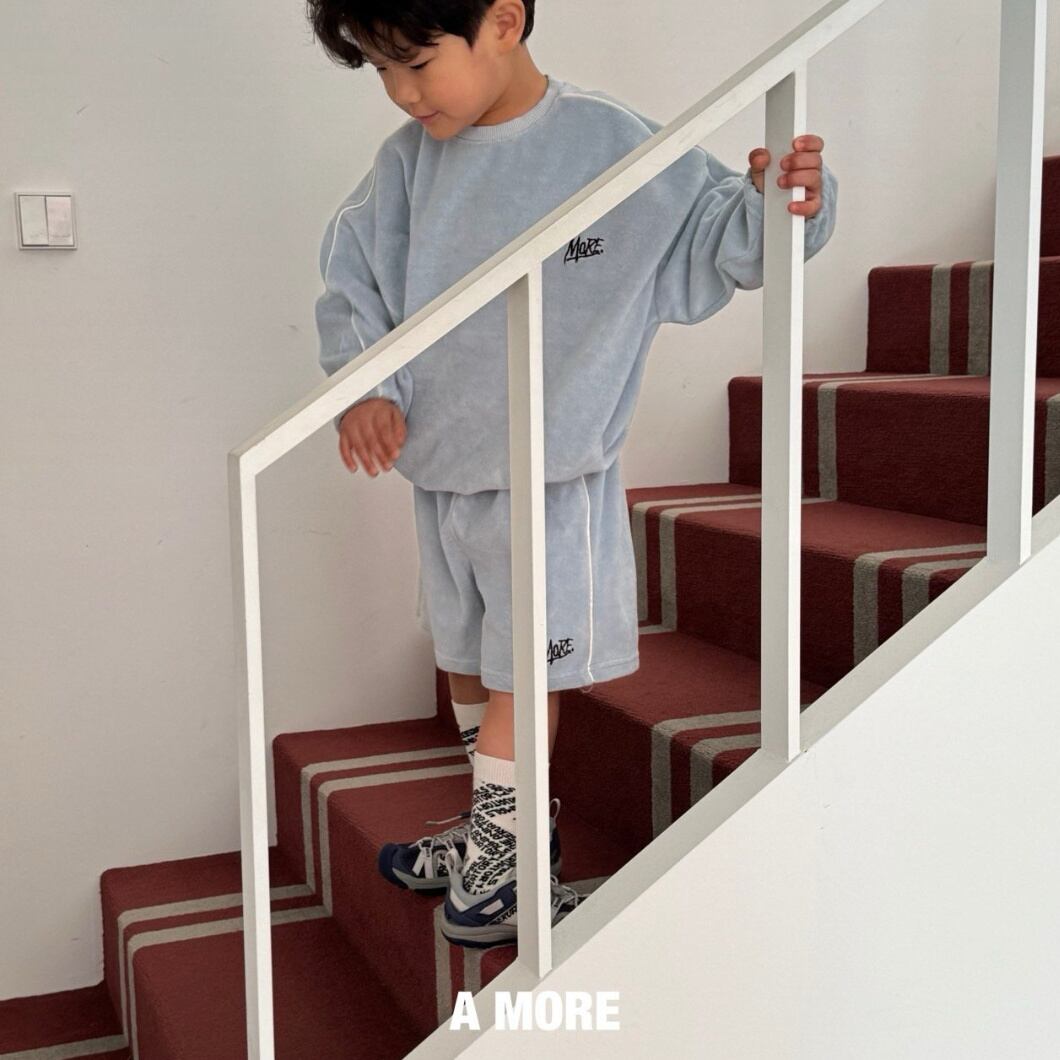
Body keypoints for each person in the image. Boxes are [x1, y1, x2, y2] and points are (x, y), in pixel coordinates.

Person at [308, 0, 838, 948]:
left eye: (417, 63)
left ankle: (508, 874)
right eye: (381, 71)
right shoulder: (405, 168)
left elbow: (725, 237)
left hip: (552, 479)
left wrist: (785, 199)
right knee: (466, 657)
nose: (401, 93)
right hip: (444, 474)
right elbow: (354, 286)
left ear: (502, 21)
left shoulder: (612, 146)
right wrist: (368, 391)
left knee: (525, 670)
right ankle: (499, 833)